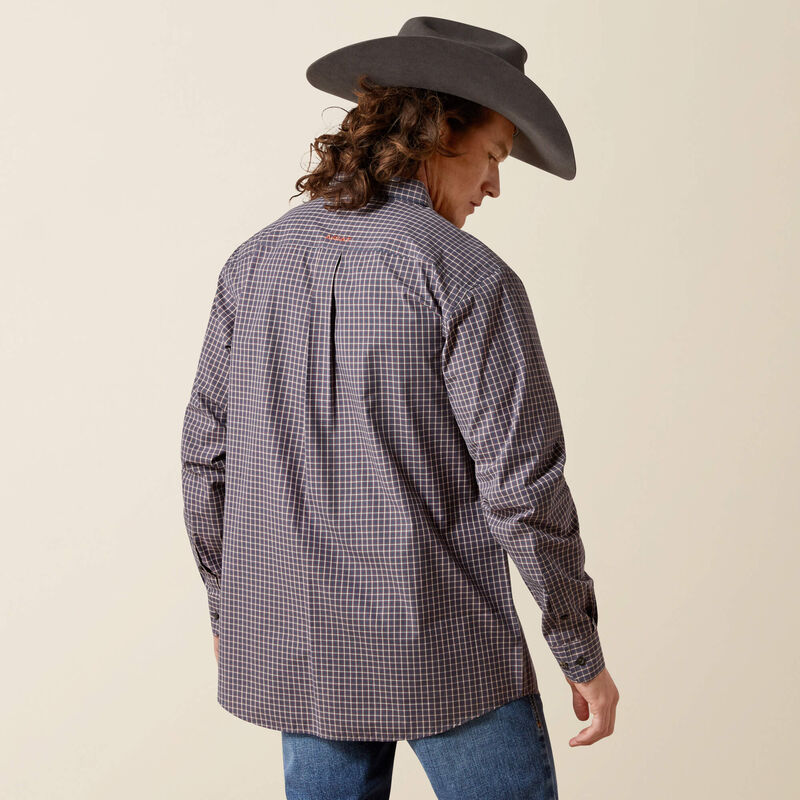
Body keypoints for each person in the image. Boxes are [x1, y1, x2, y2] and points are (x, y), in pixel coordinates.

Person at [181, 16, 618, 800]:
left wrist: (229, 611)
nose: (494, 186)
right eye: (494, 155)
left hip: (304, 648)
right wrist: (578, 647)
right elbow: (523, 489)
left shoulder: (253, 264)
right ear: (440, 132)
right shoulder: (467, 277)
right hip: (446, 647)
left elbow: (206, 458)